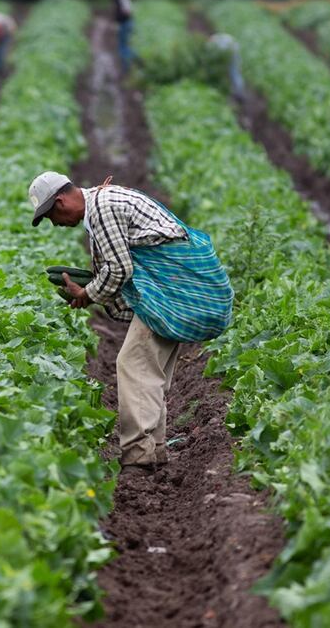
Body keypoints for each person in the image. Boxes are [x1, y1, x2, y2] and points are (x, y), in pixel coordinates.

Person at [29, 172, 233, 476]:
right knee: (150, 371)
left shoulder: (102, 209)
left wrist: (87, 293)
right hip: (169, 292)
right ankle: (154, 450)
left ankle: (138, 456)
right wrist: (93, 289)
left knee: (133, 364)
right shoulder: (102, 202)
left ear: (60, 202)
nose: (55, 224)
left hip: (170, 294)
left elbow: (119, 269)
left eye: (50, 216)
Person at [103, 0, 136, 74]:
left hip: (125, 24)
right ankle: (128, 66)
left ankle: (129, 67)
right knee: (123, 46)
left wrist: (119, 15)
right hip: (124, 24)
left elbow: (128, 11)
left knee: (122, 47)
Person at [207, 33, 245, 100]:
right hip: (234, 52)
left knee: (234, 73)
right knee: (235, 73)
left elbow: (218, 55)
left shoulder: (216, 42)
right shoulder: (223, 37)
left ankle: (238, 93)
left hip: (231, 54)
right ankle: (238, 92)